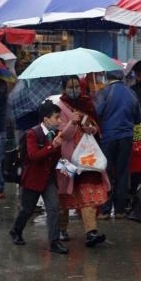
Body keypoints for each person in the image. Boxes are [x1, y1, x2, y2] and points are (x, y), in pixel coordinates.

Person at [53, 76, 109, 247]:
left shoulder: (87, 103)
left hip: (86, 158)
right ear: (64, 88)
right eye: (71, 87)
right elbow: (60, 133)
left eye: (77, 86)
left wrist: (91, 128)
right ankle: (61, 229)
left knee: (88, 192)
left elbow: (96, 127)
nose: (75, 89)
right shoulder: (59, 107)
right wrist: (72, 122)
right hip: (66, 159)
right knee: (63, 193)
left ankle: (91, 233)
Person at [8, 100, 67, 254]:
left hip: (48, 179)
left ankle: (54, 241)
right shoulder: (32, 134)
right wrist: (51, 146)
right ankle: (16, 230)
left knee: (53, 208)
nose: (59, 121)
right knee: (27, 209)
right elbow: (34, 156)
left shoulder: (55, 135)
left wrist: (68, 168)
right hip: (33, 179)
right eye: (56, 118)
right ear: (46, 119)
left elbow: (56, 158)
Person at [94, 70, 141, 219]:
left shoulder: (104, 93)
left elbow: (96, 113)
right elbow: (138, 118)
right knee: (123, 173)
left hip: (108, 138)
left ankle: (106, 210)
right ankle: (120, 210)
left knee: (106, 172)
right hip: (126, 137)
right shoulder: (131, 93)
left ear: (107, 77)